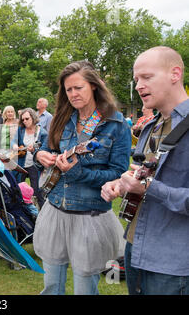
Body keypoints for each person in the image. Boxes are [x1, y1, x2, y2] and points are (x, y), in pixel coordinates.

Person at [33, 60, 131, 295]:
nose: (73, 94)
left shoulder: (116, 124)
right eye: (69, 89)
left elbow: (118, 174)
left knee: (85, 289)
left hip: (90, 216)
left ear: (94, 86)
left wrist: (78, 172)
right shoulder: (62, 118)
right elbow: (46, 148)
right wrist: (41, 155)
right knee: (51, 287)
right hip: (56, 210)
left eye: (79, 88)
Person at [101, 46, 189, 295]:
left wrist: (150, 188)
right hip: (134, 247)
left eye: (147, 77)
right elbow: (143, 175)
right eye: (136, 79)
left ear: (175, 74)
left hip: (172, 262)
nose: (138, 85)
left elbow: (151, 185)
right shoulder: (150, 126)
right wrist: (121, 184)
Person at [11, 107, 47, 208]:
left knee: (37, 191)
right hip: (21, 164)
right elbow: (13, 141)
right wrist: (14, 146)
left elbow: (45, 149)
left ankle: (40, 214)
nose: (24, 121)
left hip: (35, 165)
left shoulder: (42, 133)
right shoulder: (21, 130)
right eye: (23, 119)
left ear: (33, 117)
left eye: (27, 119)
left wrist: (35, 151)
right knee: (18, 189)